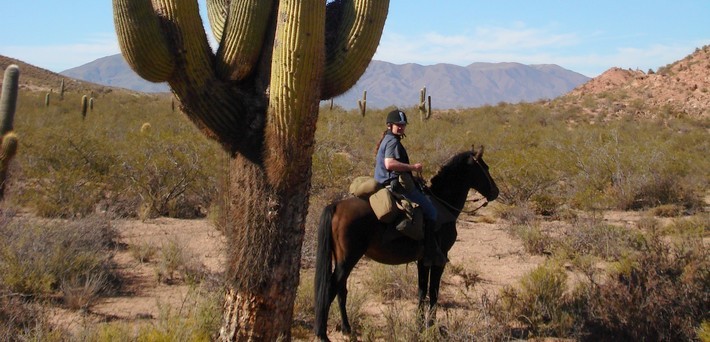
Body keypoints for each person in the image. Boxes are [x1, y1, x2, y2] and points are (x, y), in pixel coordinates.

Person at [374, 109, 447, 266]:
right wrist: (413, 167)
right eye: (397, 125)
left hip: (385, 182)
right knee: (431, 211)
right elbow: (389, 163)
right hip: (394, 185)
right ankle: (429, 253)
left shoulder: (387, 139)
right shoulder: (393, 141)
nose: (400, 127)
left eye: (403, 125)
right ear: (389, 125)